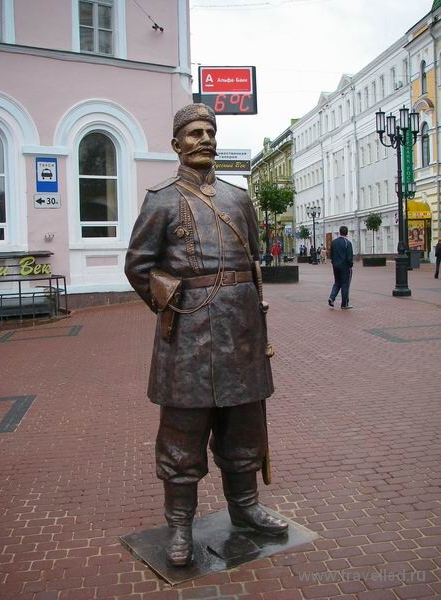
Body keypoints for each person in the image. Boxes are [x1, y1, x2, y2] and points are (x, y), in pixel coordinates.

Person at [125, 103, 287, 568]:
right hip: (188, 335)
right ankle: (180, 524)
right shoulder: (161, 200)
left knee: (244, 425)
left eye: (210, 132)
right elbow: (138, 266)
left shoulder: (238, 199)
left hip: (241, 331)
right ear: (177, 144)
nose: (205, 140)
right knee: (182, 432)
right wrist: (174, 302)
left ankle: (246, 507)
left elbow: (254, 258)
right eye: (195, 133)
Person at [328, 225, 354, 309]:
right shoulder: (348, 243)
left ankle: (331, 298)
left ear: (339, 232)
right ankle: (344, 304)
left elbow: (331, 255)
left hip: (335, 266)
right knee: (345, 285)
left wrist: (334, 262)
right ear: (347, 233)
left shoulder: (334, 242)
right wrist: (350, 265)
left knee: (337, 283)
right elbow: (349, 257)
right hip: (345, 267)